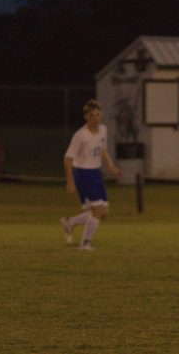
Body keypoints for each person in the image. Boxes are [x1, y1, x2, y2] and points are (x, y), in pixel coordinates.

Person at [60, 100, 121, 251]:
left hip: (95, 173)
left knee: (104, 212)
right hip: (83, 173)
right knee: (98, 211)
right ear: (86, 117)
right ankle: (85, 244)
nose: (96, 118)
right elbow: (68, 159)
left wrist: (111, 166)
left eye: (98, 115)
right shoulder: (80, 135)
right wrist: (70, 181)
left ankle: (70, 222)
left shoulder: (103, 130)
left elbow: (103, 149)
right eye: (92, 115)